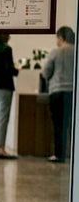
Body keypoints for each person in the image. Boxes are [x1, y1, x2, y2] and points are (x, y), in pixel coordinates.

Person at [41, 26, 75, 163]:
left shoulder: (56, 52)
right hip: (73, 92)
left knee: (59, 125)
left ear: (60, 37)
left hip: (57, 91)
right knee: (73, 125)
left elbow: (46, 71)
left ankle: (59, 155)